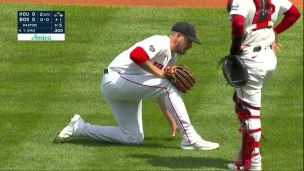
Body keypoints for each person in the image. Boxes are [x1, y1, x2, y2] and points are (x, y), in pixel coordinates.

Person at [53, 21, 220, 150]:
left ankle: (79, 128)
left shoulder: (171, 58)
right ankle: (190, 138)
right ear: (177, 36)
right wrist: (161, 74)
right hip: (116, 79)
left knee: (133, 138)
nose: (190, 46)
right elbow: (136, 55)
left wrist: (170, 119)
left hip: (124, 87)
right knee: (166, 84)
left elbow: (159, 91)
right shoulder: (161, 41)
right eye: (188, 41)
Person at [225, 0, 300, 170]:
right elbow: (294, 13)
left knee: (249, 113)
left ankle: (253, 162)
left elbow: (237, 23)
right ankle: (244, 156)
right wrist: (273, 33)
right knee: (241, 102)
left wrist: (235, 48)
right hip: (269, 59)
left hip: (252, 59)